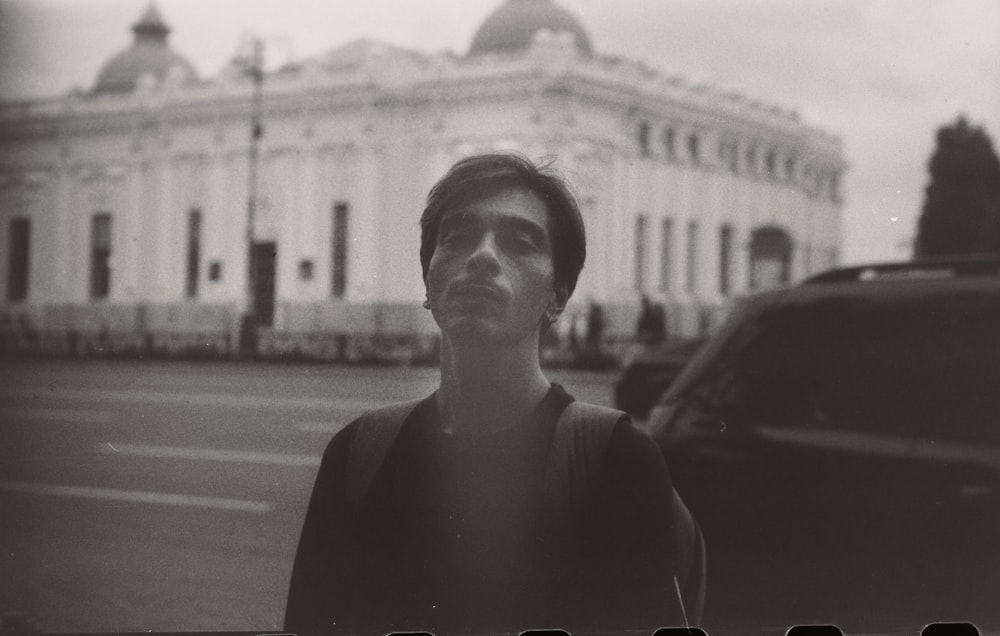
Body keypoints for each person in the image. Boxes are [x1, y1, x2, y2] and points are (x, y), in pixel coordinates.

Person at [284, 153, 705, 635]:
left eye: (520, 241)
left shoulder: (617, 462)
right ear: (428, 278)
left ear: (558, 295)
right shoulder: (357, 454)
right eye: (457, 237)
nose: (482, 256)